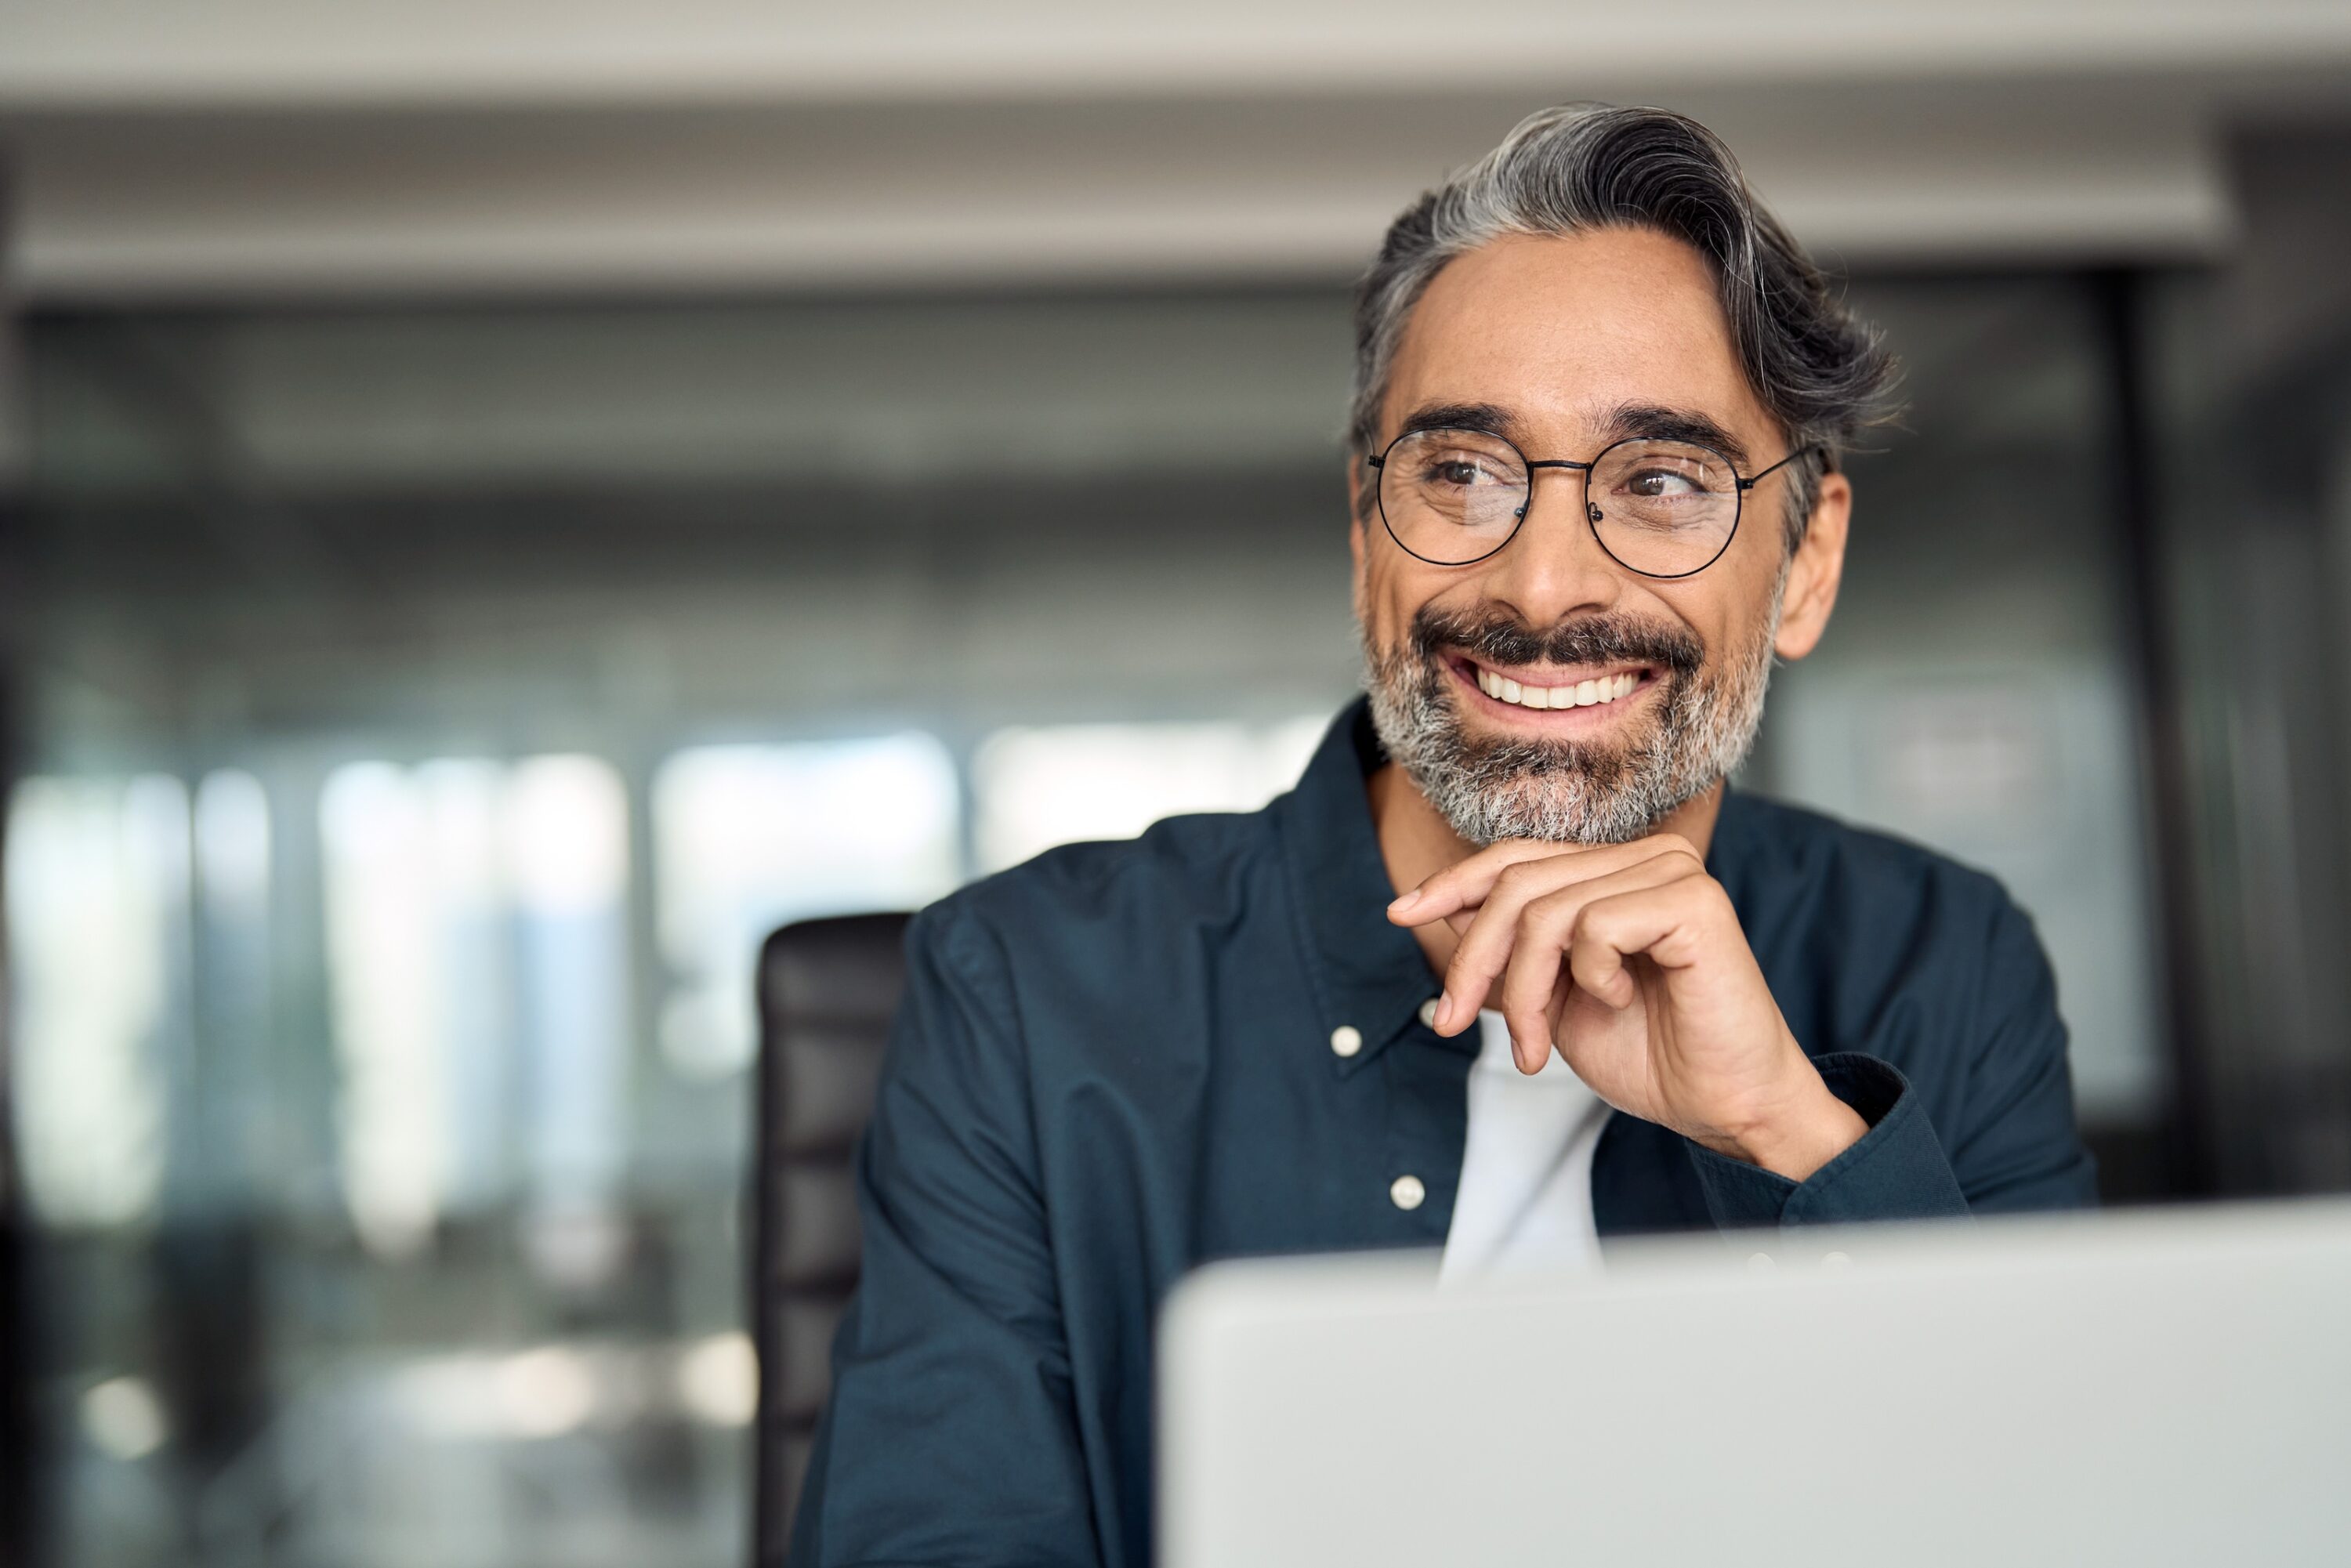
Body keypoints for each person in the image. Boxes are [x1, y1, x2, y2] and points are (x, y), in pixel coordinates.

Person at [788, 103, 2096, 1567]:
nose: (1543, 586)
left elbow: (2067, 1513)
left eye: (1661, 483)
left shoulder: (1948, 960)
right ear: (1366, 540)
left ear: (1807, 563)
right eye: (1460, 474)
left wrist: (1794, 1138)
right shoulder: (1027, 991)